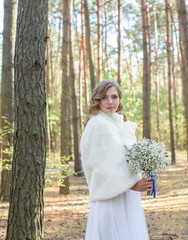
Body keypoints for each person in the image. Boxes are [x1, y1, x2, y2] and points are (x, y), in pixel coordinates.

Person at [80, 80, 152, 240]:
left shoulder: (118, 123)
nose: (110, 102)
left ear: (120, 99)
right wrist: (132, 184)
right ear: (97, 101)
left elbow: (122, 159)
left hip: (124, 194)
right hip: (110, 198)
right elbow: (100, 167)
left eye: (114, 97)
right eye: (104, 98)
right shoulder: (97, 124)